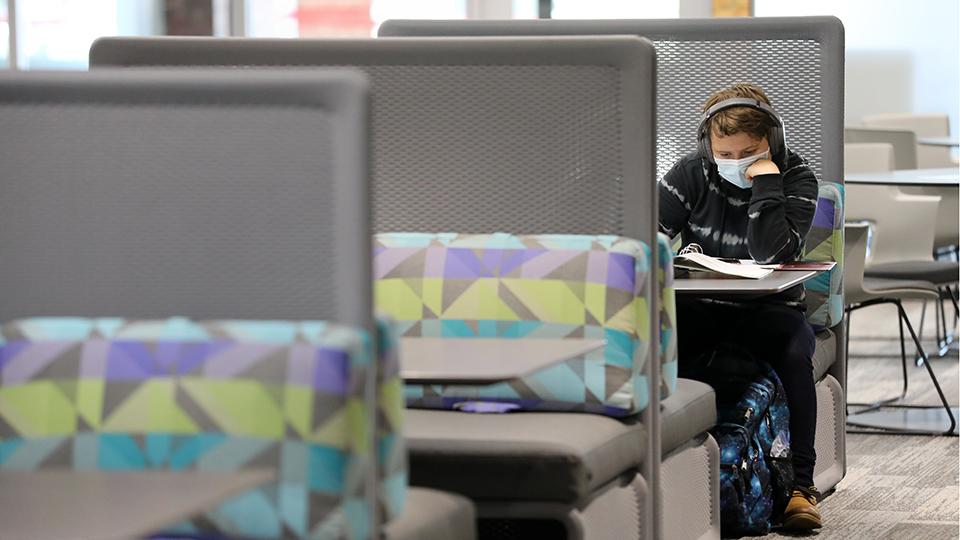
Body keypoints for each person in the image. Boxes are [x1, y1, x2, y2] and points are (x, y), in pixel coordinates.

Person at [658, 83, 823, 529]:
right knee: (661, 338)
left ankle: (799, 489)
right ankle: (674, 477)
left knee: (791, 351)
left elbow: (772, 255)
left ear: (773, 141)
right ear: (707, 146)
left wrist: (765, 182)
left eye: (748, 152)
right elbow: (642, 233)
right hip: (702, 305)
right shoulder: (690, 172)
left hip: (770, 311)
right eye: (724, 154)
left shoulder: (797, 178)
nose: (735, 162)